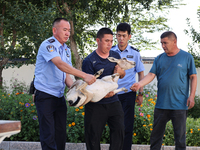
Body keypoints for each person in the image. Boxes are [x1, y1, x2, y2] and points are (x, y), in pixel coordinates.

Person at [34, 18, 96, 150]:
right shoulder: (48, 45)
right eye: (64, 30)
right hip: (45, 95)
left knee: (60, 133)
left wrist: (77, 90)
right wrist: (85, 76)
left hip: (58, 96)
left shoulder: (66, 49)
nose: (68, 33)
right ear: (54, 30)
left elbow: (66, 76)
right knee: (48, 134)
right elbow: (60, 65)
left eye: (69, 30)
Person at [131, 31, 197, 150]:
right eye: (161, 43)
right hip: (161, 105)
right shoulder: (159, 58)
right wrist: (139, 83)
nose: (163, 46)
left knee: (180, 139)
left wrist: (191, 96)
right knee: (156, 138)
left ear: (174, 42)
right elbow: (151, 74)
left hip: (180, 105)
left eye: (165, 43)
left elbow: (193, 77)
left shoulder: (187, 57)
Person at [82, 27, 125, 150]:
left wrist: (121, 72)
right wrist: (104, 94)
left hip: (113, 102)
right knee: (93, 138)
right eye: (106, 41)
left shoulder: (116, 55)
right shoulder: (89, 61)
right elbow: (88, 88)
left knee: (119, 131)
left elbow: (121, 75)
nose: (110, 44)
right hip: (95, 105)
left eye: (111, 41)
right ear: (98, 41)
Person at [111, 22, 145, 150]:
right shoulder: (111, 52)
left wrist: (140, 93)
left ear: (129, 36)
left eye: (124, 36)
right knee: (114, 125)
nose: (121, 38)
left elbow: (141, 74)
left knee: (127, 125)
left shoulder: (135, 53)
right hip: (113, 94)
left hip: (128, 94)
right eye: (119, 35)